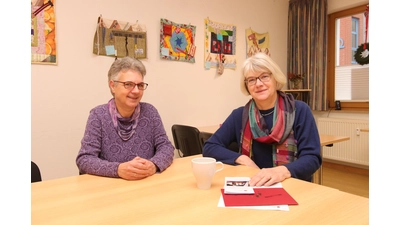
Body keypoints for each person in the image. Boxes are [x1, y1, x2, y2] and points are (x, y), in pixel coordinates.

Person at [203, 52, 321, 186]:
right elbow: (210, 147)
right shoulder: (239, 115)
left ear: (275, 79)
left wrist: (281, 172)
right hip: (253, 185)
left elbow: (312, 158)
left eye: (264, 76)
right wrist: (243, 159)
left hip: (293, 186)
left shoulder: (300, 111)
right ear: (247, 86)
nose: (258, 84)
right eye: (251, 80)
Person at [76, 57, 174, 180]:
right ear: (113, 86)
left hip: (146, 185)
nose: (136, 91)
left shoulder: (150, 112)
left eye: (140, 85)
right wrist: (118, 169)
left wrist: (153, 165)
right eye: (128, 84)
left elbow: (166, 147)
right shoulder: (98, 115)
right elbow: (84, 159)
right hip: (111, 189)